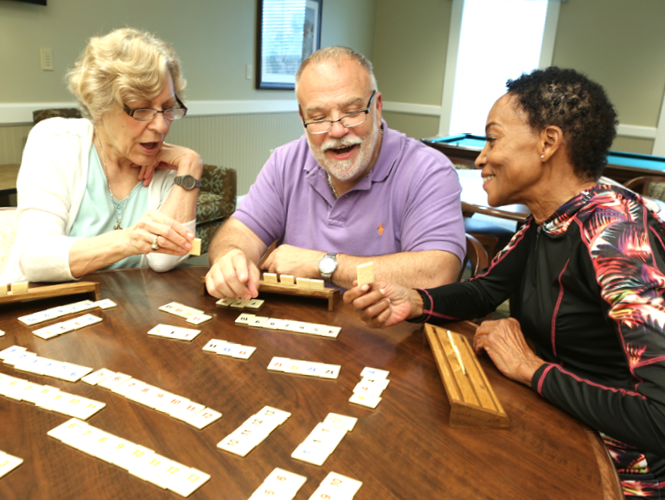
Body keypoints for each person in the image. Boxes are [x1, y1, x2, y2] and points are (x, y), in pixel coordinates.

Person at [345, 67, 665, 497]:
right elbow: (485, 290)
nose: (480, 157)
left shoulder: (617, 235)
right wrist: (414, 301)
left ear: (548, 143)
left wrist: (530, 368)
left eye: (492, 139)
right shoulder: (549, 219)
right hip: (552, 423)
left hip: (615, 474)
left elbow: (659, 418)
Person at [205, 46, 465, 299]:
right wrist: (231, 257)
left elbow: (438, 274)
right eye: (318, 117)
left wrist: (324, 264)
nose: (337, 130)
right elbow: (239, 233)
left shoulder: (429, 170)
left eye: (352, 112)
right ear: (302, 118)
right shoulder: (285, 161)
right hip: (297, 330)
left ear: (377, 107)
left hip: (387, 336)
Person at [1, 28, 201, 284]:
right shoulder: (56, 141)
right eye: (141, 109)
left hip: (122, 315)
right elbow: (34, 258)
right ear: (100, 106)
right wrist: (128, 240)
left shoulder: (168, 167)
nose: (161, 126)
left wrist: (191, 165)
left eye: (167, 108)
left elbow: (164, 260)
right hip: (38, 309)